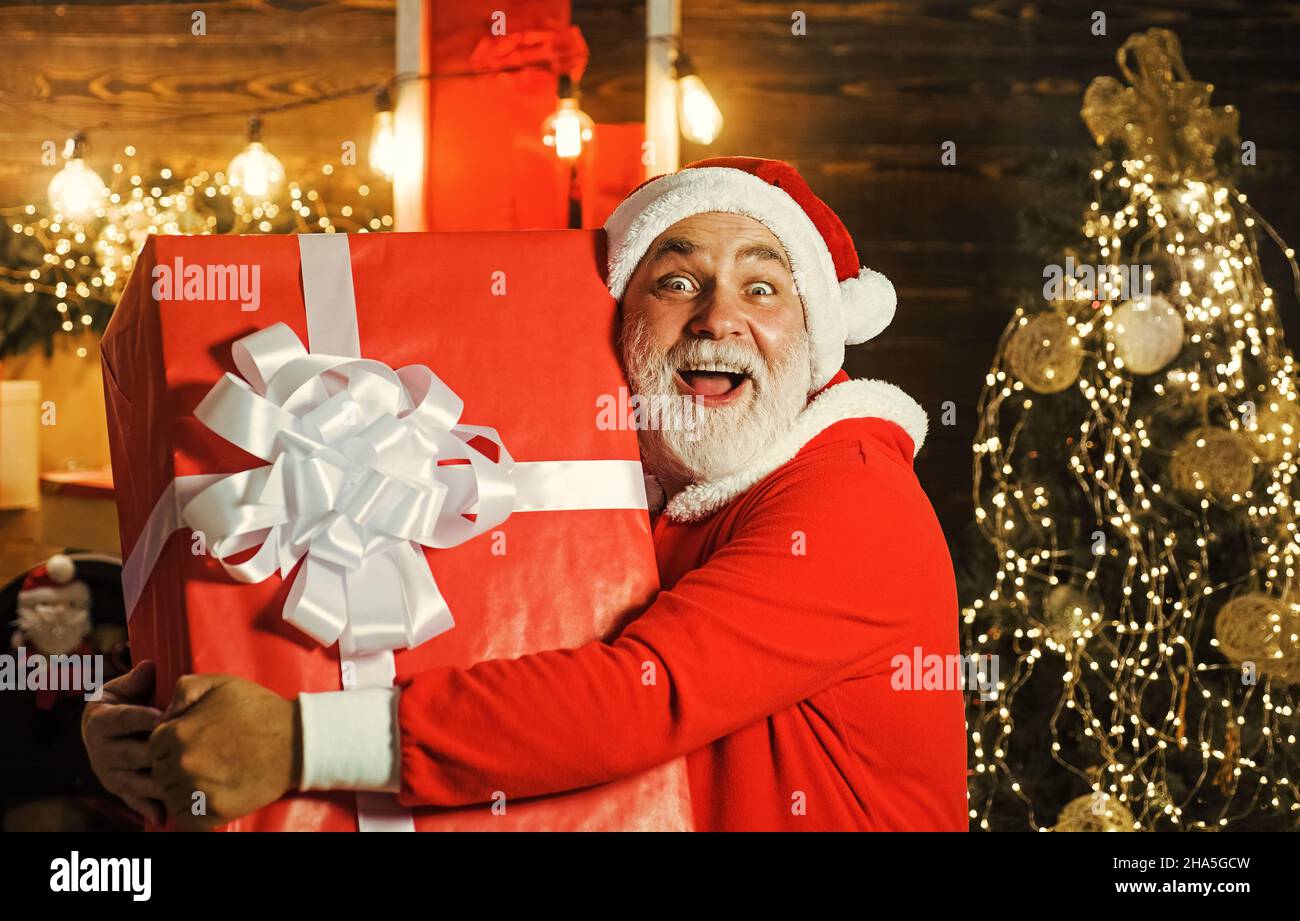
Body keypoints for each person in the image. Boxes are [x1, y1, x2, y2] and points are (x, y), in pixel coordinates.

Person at [83, 156, 968, 831]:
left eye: (764, 286)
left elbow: (637, 695)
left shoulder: (854, 497)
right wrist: (165, 726)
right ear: (623, 327)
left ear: (817, 339)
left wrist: (297, 739)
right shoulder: (617, 505)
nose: (717, 316)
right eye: (676, 280)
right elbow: (488, 653)